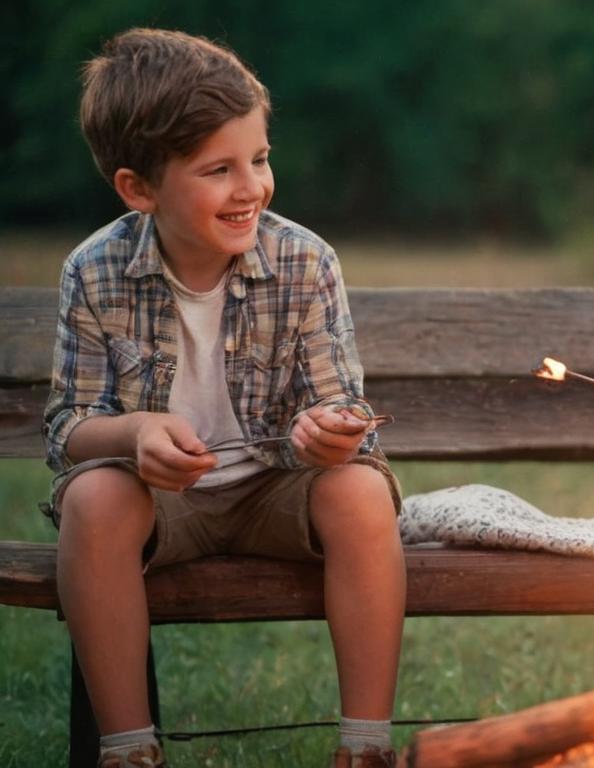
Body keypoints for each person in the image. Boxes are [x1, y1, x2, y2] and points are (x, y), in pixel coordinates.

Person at [43, 28, 405, 768]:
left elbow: (341, 405)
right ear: (138, 188)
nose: (252, 187)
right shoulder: (95, 271)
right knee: (93, 500)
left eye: (260, 159)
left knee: (361, 493)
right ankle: (129, 750)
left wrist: (326, 431)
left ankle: (364, 747)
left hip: (277, 490)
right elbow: (67, 429)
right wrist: (133, 433)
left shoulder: (305, 261)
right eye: (219, 170)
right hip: (160, 504)